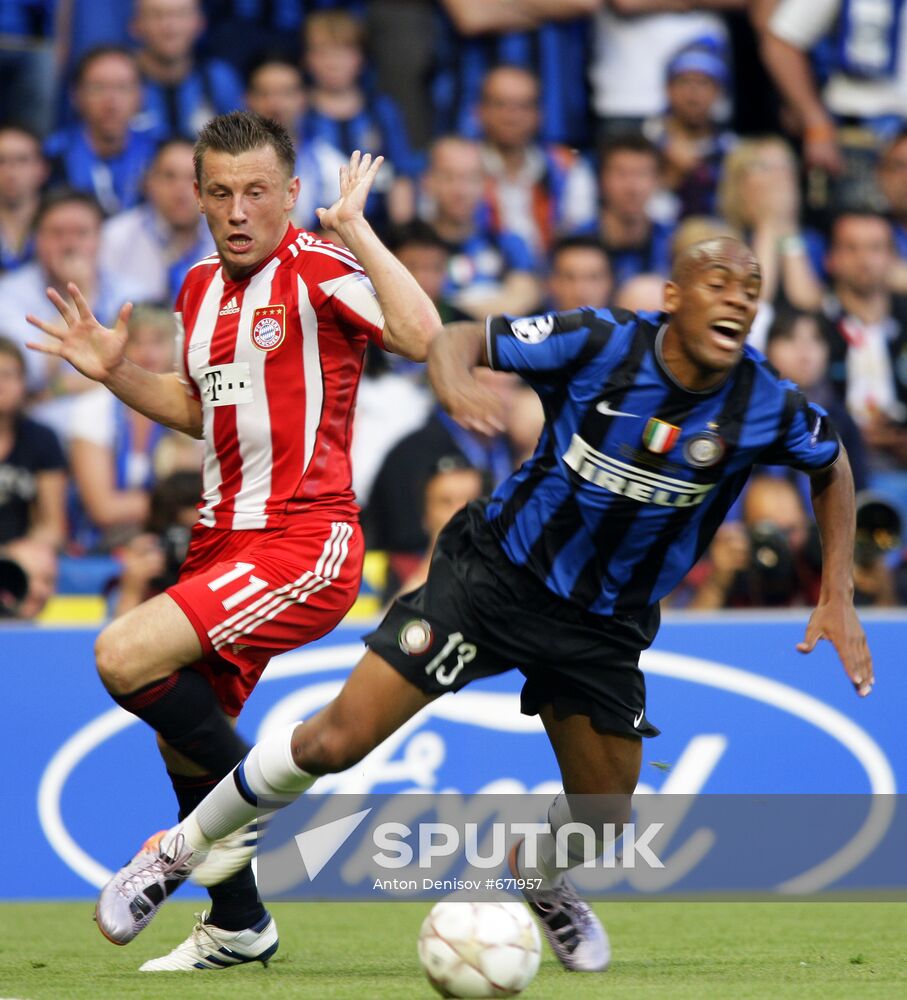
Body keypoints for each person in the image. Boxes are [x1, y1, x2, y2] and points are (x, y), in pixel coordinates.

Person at [96, 237, 874, 975]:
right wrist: (452, 373)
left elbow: (831, 461)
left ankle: (537, 875)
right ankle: (175, 853)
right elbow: (462, 336)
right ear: (672, 297)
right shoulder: (600, 341)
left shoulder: (763, 402)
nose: (736, 299)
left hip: (603, 626)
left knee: (603, 822)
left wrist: (835, 589)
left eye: (750, 289)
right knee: (336, 740)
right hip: (491, 581)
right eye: (718, 284)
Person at [27, 110, 438, 971]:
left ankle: (182, 847)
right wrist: (115, 372)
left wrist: (357, 228)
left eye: (257, 192)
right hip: (220, 542)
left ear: (290, 194)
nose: (239, 210)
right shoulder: (195, 287)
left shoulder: (321, 267)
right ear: (198, 196)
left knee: (121, 655)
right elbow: (199, 409)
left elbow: (421, 335)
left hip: (305, 538)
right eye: (221, 193)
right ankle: (239, 923)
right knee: (181, 728)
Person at [477, 65, 596, 256]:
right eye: (501, 104)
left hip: (553, 277)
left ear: (539, 114)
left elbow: (578, 237)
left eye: (522, 106)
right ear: (480, 111)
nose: (511, 117)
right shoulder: (462, 166)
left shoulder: (567, 166)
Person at [421, 135, 540, 319]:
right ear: (428, 182)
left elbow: (524, 298)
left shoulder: (508, 243)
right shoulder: (408, 246)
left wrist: (453, 308)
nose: (460, 190)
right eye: (448, 177)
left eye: (470, 178)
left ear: (485, 184)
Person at [99, 138, 215, 305]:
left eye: (193, 177)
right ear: (148, 182)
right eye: (169, 176)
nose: (181, 190)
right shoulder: (115, 237)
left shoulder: (223, 237)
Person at [44, 47, 158, 216]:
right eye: (98, 88)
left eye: (122, 88)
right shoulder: (51, 156)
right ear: (76, 96)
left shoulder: (157, 155)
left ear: (141, 96)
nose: (111, 102)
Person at [131, 0, 245, 140]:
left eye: (180, 15)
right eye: (156, 15)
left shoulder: (219, 79)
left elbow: (241, 145)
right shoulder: (117, 78)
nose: (169, 27)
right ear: (135, 25)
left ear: (200, 23)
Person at [0, 124, 48, 274]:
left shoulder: (62, 225)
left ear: (42, 168)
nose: (11, 171)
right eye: (1, 161)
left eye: (22, 160)